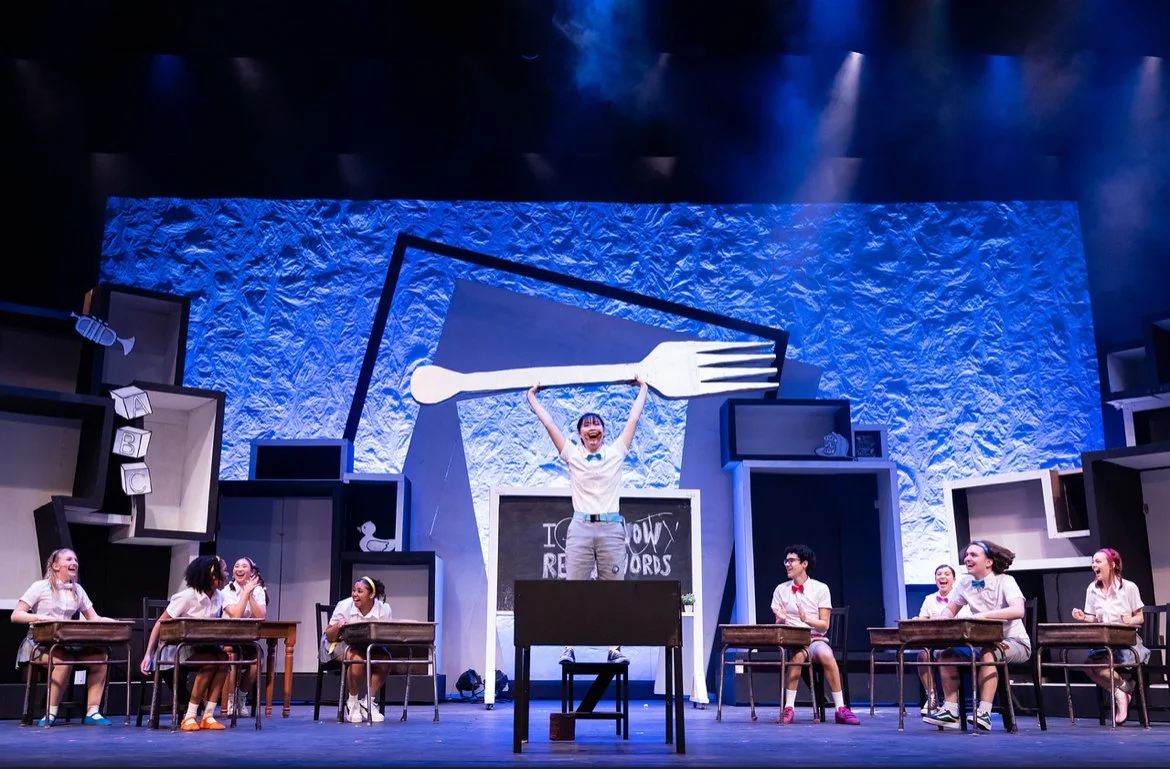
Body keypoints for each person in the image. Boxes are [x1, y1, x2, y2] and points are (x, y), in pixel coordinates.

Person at [526, 376, 649, 666]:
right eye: (587, 424)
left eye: (597, 424)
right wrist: (532, 397)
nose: (592, 427)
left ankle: (614, 648)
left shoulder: (617, 451)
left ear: (603, 431)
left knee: (613, 592)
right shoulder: (573, 454)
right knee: (574, 590)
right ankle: (568, 647)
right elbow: (550, 425)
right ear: (580, 433)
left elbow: (634, 417)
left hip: (611, 529)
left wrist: (643, 388)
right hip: (580, 528)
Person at [923, 539, 1031, 732]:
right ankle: (950, 709)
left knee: (988, 653)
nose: (967, 558)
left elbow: (1018, 611)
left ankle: (984, 712)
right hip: (980, 645)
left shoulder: (1005, 581)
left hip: (1013, 643)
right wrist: (941, 618)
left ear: (988, 562)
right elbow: (950, 609)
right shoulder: (965, 583)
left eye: (974, 555)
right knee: (946, 654)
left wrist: (983, 616)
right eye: (967, 555)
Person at [11, 548, 115, 726]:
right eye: (68, 560)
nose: (74, 563)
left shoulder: (77, 590)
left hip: (66, 643)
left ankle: (92, 711)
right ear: (56, 565)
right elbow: (16, 615)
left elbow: (94, 618)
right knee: (62, 660)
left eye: (75, 559)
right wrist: (40, 617)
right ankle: (50, 713)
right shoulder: (40, 587)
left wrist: (115, 622)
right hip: (38, 644)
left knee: (100, 657)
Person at [769, 544, 860, 725]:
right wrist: (780, 618)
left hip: (815, 639)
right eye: (786, 561)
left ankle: (840, 709)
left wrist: (806, 619)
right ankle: (789, 708)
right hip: (794, 641)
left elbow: (824, 625)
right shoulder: (781, 589)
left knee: (826, 654)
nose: (787, 564)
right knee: (796, 657)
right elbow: (778, 625)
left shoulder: (820, 588)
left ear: (804, 564)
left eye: (791, 560)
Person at [140, 555, 231, 732]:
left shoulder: (219, 596)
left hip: (201, 645)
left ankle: (208, 716)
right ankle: (190, 716)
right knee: (210, 662)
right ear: (212, 574)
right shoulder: (187, 596)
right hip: (175, 648)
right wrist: (148, 654)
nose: (226, 574)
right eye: (224, 570)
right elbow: (160, 624)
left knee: (223, 659)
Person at [1070, 547, 1150, 724]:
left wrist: (1130, 619)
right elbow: (1094, 617)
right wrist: (1084, 617)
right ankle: (1123, 689)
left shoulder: (1129, 587)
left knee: (1099, 666)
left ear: (1112, 564)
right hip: (1104, 641)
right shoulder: (1092, 589)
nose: (1094, 565)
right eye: (1093, 562)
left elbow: (1140, 617)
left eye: (1098, 561)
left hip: (1127, 643)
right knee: (1087, 666)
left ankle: (1121, 696)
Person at [320, 576, 393, 723]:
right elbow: (329, 635)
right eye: (354, 590)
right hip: (338, 644)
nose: (355, 594)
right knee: (357, 659)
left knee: (385, 659)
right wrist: (338, 625)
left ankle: (368, 703)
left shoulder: (384, 609)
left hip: (367, 647)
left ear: (371, 595)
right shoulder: (344, 606)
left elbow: (385, 635)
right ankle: (352, 702)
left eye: (360, 591)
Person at [913, 564, 970, 714]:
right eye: (939, 574)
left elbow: (963, 620)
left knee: (946, 655)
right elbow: (922, 618)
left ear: (954, 579)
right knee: (923, 655)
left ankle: (950, 702)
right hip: (935, 642)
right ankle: (932, 697)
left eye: (946, 574)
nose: (942, 577)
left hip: (956, 643)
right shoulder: (929, 599)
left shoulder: (960, 599)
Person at [220, 557, 267, 718]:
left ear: (252, 572)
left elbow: (260, 616)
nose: (239, 569)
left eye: (244, 566)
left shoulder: (259, 590)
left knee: (258, 659)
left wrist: (251, 595)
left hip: (247, 639)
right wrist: (245, 593)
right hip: (226, 637)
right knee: (231, 654)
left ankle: (241, 695)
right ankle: (230, 699)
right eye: (236, 566)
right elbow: (236, 615)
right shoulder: (226, 590)